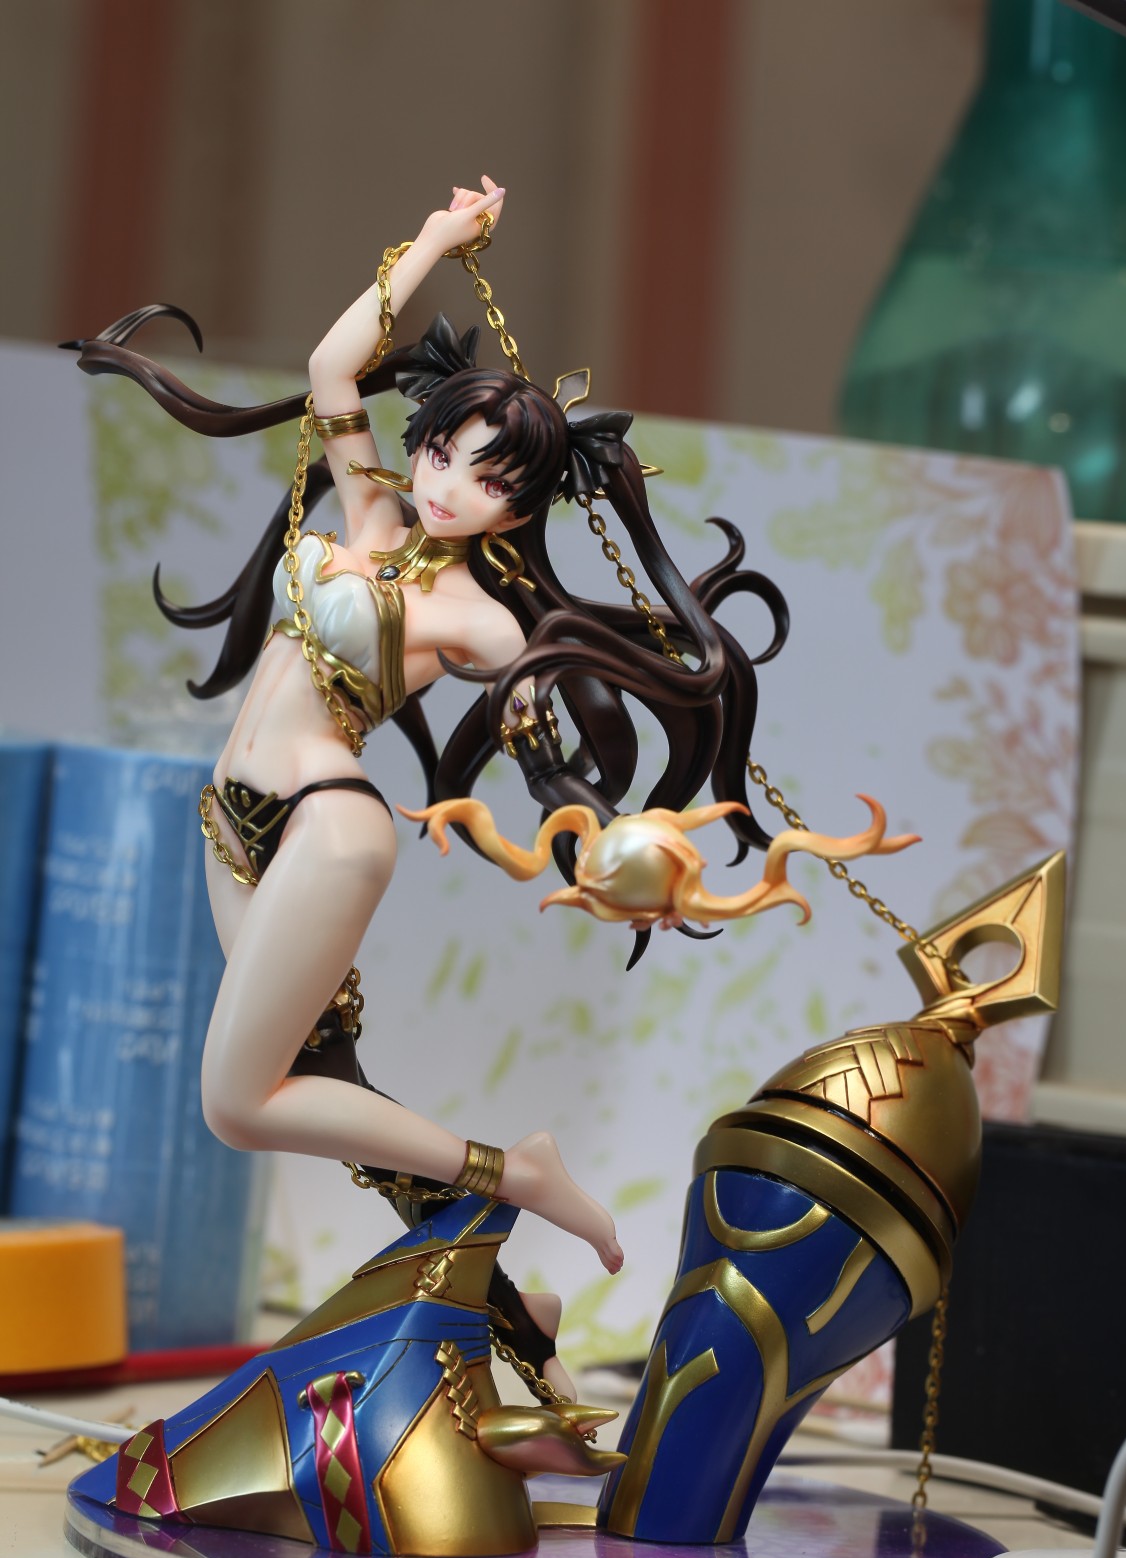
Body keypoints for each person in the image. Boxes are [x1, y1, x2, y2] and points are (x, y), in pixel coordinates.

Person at [66, 178, 792, 1399]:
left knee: (239, 1104)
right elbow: (331, 365)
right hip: (231, 819)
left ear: (525, 504)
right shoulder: (371, 505)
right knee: (325, 1089)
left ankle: (520, 1172)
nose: (449, 480)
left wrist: (621, 855)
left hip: (326, 826)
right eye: (443, 449)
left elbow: (544, 743)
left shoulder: (482, 619)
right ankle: (522, 1323)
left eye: (489, 477)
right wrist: (440, 244)